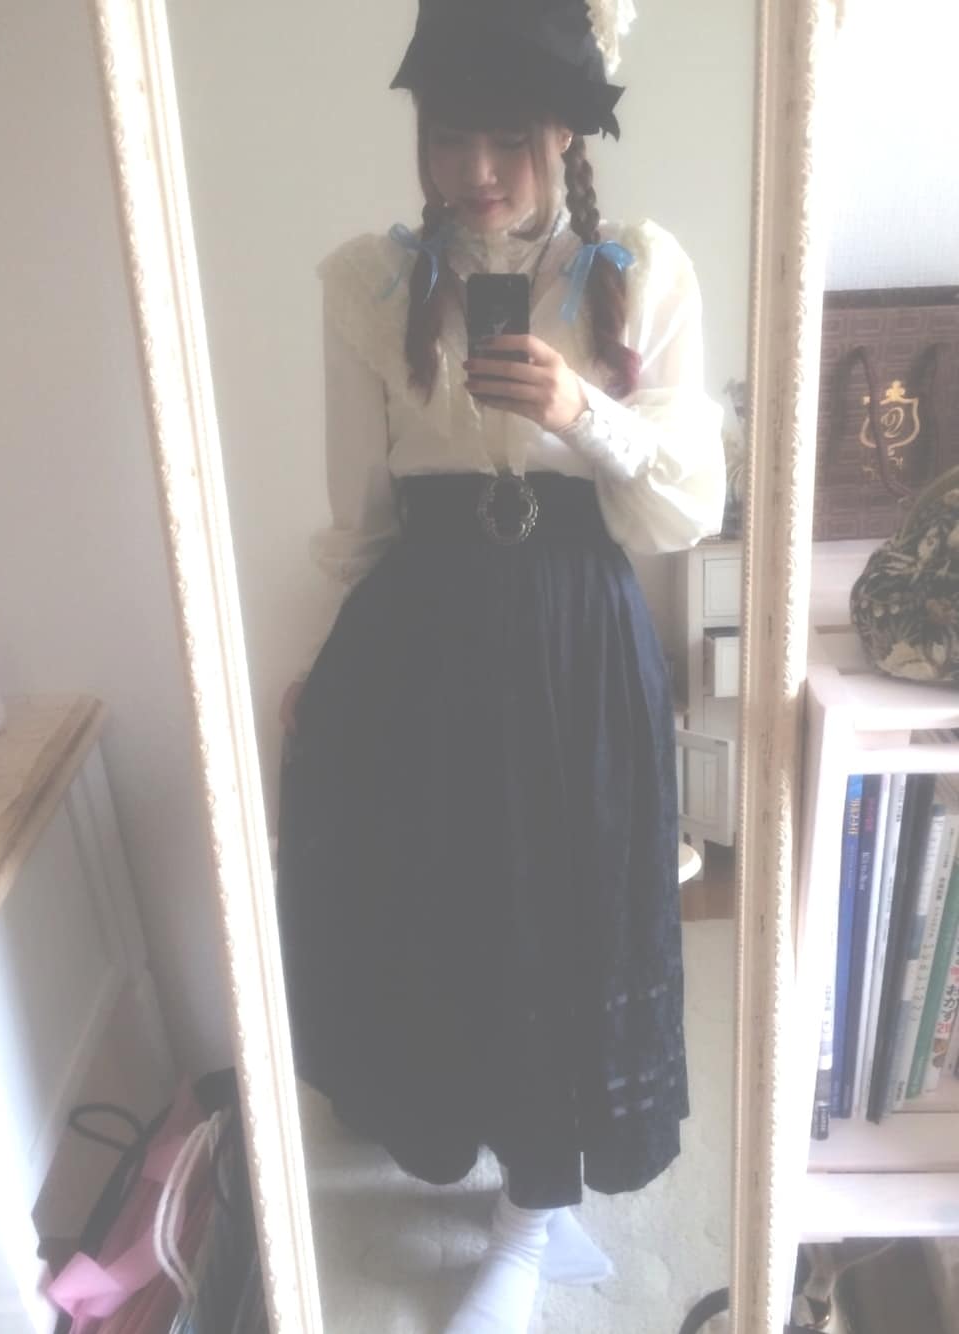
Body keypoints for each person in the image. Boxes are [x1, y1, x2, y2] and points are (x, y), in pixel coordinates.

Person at [276, 1, 726, 1329]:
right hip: (421, 641)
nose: (474, 169)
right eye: (447, 134)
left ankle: (533, 1220)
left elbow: (687, 507)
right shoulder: (368, 284)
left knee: (569, 918)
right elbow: (361, 515)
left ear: (567, 132)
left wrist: (584, 412)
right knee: (448, 910)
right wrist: (318, 666)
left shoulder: (641, 273)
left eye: (507, 137)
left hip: (578, 639)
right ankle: (512, 1189)